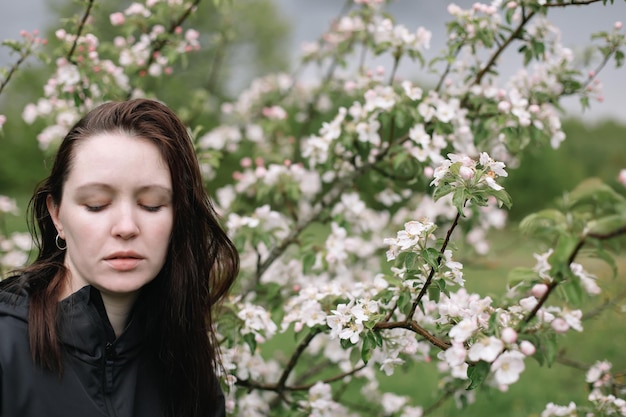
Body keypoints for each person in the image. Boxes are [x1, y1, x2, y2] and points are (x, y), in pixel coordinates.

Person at [0, 98, 239, 417]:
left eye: (152, 205)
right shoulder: (7, 347)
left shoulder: (185, 361)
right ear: (57, 214)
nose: (126, 227)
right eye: (97, 204)